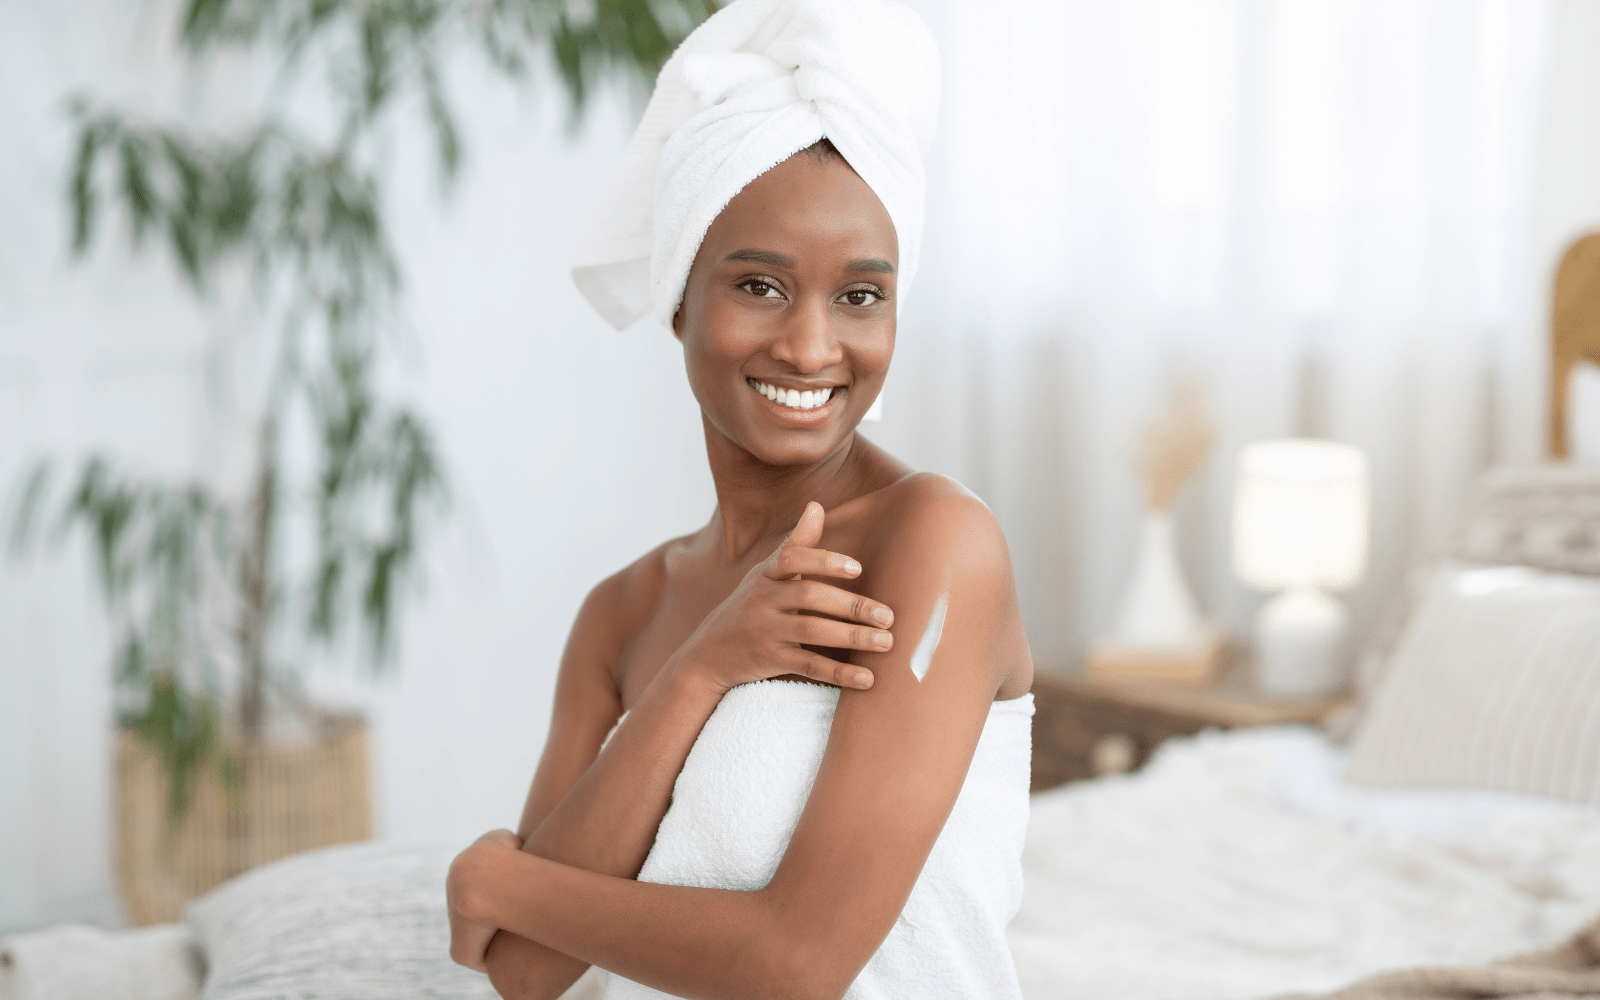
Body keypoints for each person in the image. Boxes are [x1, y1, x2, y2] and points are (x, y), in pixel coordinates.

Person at [446, 1, 1034, 997]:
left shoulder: (934, 544)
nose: (810, 348)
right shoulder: (621, 613)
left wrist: (497, 875)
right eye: (759, 286)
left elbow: (798, 964)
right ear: (680, 299)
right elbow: (525, 969)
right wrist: (701, 666)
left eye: (860, 296)